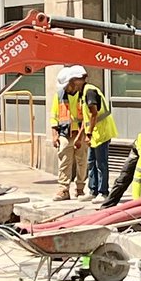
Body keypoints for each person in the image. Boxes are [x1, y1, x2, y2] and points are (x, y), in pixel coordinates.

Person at [70, 69, 119, 203]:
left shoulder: (89, 92)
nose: (71, 85)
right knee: (91, 162)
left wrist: (88, 134)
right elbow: (86, 119)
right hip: (94, 133)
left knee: (101, 163)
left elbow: (94, 114)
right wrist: (80, 137)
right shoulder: (83, 93)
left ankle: (103, 192)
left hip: (101, 132)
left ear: (78, 80)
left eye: (72, 81)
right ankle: (93, 190)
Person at [51, 67, 90, 200]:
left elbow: (87, 117)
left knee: (82, 162)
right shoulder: (59, 95)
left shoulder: (83, 94)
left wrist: (81, 136)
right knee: (64, 162)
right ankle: (63, 190)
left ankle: (80, 189)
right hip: (65, 133)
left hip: (81, 132)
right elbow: (54, 116)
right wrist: (54, 134)